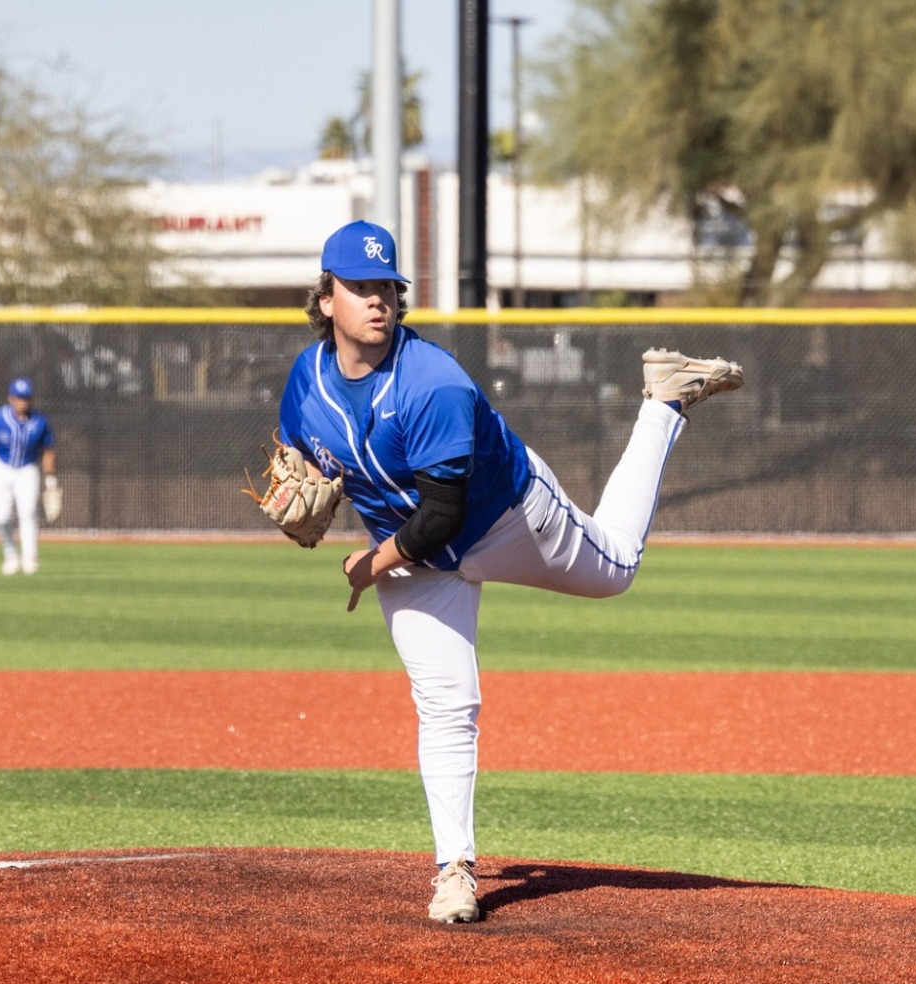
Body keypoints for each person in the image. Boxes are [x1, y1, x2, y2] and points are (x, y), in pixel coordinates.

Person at [270, 220, 742, 923]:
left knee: (616, 566)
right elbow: (299, 448)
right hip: (412, 557)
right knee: (446, 702)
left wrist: (371, 564)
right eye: (360, 287)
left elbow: (442, 517)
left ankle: (663, 403)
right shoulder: (305, 383)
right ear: (325, 299)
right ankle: (454, 870)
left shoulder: (433, 383)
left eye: (387, 288)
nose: (378, 300)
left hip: (503, 517)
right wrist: (302, 482)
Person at [0, 377, 57, 575]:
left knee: (28, 513)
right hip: (1, 468)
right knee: (1, 517)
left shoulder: (40, 422)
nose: (22, 402)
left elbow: (49, 451)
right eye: (18, 398)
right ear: (10, 398)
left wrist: (51, 481)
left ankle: (30, 557)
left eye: (26, 398)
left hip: (27, 469)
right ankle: (10, 555)